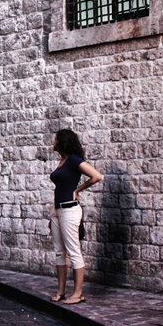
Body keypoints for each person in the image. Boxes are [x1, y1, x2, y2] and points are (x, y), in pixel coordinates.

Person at [48, 129, 103, 304]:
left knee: (73, 252)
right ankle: (61, 291)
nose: (53, 142)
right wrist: (53, 214)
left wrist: (77, 190)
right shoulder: (62, 161)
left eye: (55, 139)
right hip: (57, 210)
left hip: (70, 210)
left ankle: (77, 294)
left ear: (62, 141)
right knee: (59, 252)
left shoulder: (73, 160)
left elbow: (96, 176)